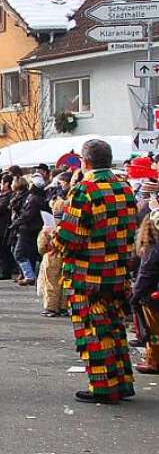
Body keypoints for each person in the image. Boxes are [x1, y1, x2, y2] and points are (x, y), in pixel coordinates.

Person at [55, 139, 137, 404]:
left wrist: (52, 238)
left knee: (94, 329)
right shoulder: (124, 186)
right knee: (114, 326)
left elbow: (71, 237)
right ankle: (122, 382)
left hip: (88, 273)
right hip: (118, 269)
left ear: (85, 161)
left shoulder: (85, 189)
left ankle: (103, 386)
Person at [131, 211, 159, 374]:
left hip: (152, 296)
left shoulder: (152, 248)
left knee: (154, 332)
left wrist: (135, 295)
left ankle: (153, 360)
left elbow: (146, 273)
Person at [14, 175, 46, 287]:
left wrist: (15, 223)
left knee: (19, 253)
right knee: (30, 253)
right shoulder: (35, 197)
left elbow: (27, 215)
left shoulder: (34, 199)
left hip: (27, 229)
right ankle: (29, 275)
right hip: (30, 229)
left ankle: (29, 275)